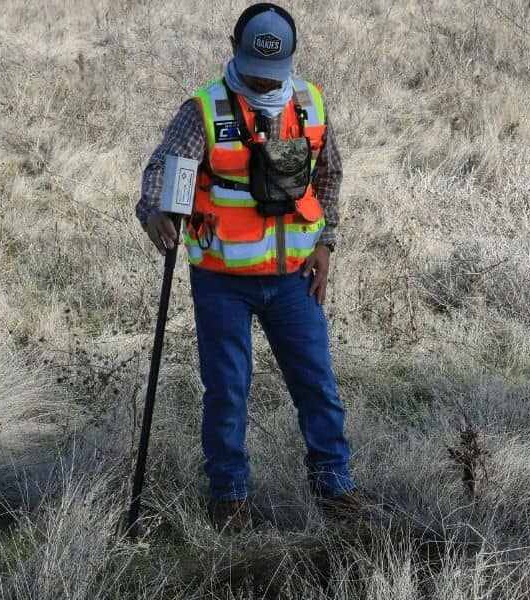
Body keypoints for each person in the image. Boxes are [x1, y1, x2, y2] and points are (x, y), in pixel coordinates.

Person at [135, 2, 368, 531]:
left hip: (294, 279)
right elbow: (159, 169)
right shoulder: (203, 110)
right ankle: (229, 496)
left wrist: (326, 244)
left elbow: (328, 175)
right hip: (222, 281)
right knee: (227, 388)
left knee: (317, 384)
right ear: (235, 50)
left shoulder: (309, 102)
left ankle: (335, 486)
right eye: (257, 73)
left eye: (275, 74)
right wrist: (154, 212)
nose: (266, 83)